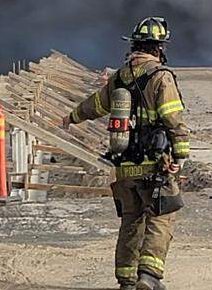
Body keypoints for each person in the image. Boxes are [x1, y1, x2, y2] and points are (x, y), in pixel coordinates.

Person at [68, 17, 189, 290]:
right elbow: (172, 118)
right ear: (158, 48)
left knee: (130, 223)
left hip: (124, 165)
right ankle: (149, 276)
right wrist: (180, 155)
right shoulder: (161, 77)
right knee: (160, 218)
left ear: (134, 45)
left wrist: (71, 117)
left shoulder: (120, 77)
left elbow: (95, 105)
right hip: (154, 164)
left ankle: (126, 280)